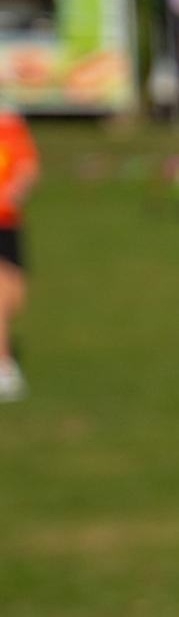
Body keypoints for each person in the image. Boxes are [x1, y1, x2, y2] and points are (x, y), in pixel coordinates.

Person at [0, 105, 38, 401]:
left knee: (16, 298)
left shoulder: (10, 124)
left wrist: (17, 188)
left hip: (8, 221)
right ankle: (4, 367)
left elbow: (28, 166)